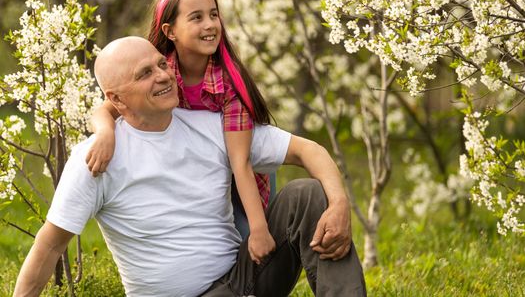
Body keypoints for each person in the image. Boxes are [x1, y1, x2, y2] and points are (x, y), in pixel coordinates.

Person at [13, 37, 366, 297]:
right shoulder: (98, 157)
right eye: (145, 74)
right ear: (116, 99)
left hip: (243, 280)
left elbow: (308, 150)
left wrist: (339, 204)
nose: (163, 76)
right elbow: (50, 245)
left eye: (161, 65)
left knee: (306, 194)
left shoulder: (209, 126)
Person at [86, 0, 274, 264]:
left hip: (243, 171)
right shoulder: (159, 72)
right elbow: (107, 108)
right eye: (196, 17)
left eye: (214, 14)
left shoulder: (229, 85)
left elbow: (241, 163)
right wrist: (105, 133)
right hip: (200, 169)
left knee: (250, 241)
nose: (210, 24)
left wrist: (259, 229)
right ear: (169, 31)